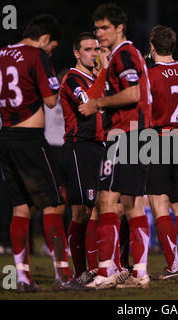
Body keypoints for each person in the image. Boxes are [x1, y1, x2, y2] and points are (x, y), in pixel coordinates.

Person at [0, 14, 86, 292]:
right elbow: (50, 101)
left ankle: (23, 278)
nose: (50, 53)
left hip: (6, 137)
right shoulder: (36, 56)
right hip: (30, 138)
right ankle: (63, 276)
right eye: (51, 48)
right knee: (54, 204)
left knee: (21, 208)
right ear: (45, 39)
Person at [79, 3, 152, 289]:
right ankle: (140, 273)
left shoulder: (125, 54)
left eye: (105, 27)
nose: (99, 33)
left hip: (124, 134)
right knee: (132, 205)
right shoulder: (124, 55)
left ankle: (105, 271)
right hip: (138, 134)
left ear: (120, 27)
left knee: (106, 201)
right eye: (97, 28)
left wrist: (98, 103)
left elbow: (132, 93)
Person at [145, 25, 178, 280]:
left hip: (158, 139)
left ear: (152, 46)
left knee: (159, 205)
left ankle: (173, 267)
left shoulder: (150, 74)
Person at [59, 32, 109, 283]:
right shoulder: (72, 79)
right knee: (83, 211)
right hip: (80, 148)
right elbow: (88, 103)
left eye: (97, 48)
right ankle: (81, 272)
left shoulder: (95, 77)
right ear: (77, 54)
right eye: (89, 49)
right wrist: (104, 72)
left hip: (99, 145)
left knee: (101, 207)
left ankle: (101, 268)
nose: (95, 53)